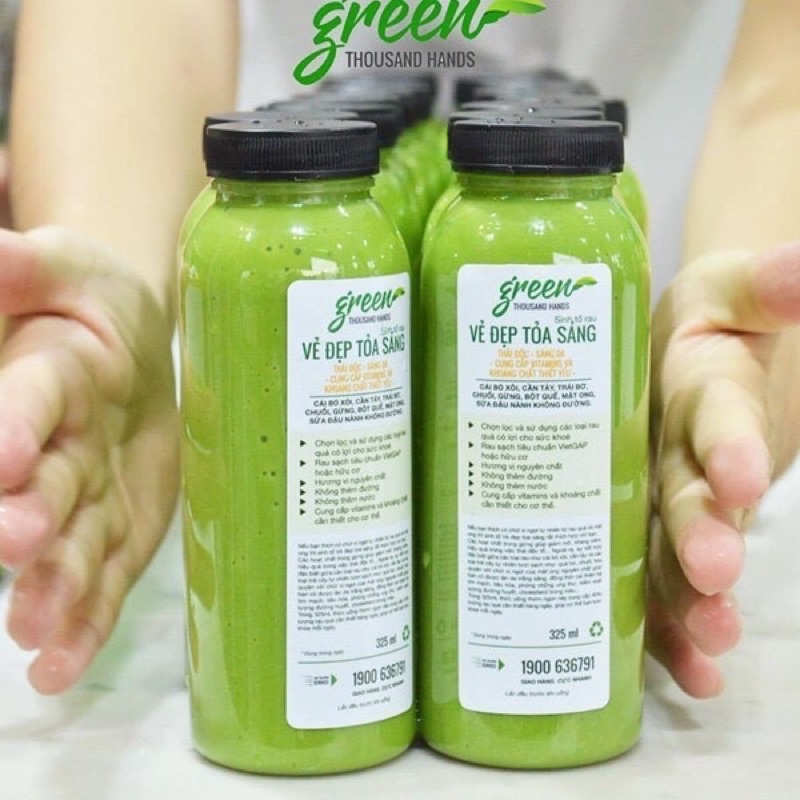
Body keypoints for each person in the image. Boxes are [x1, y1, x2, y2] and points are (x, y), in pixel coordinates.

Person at [0, 0, 798, 702]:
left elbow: (779, 87)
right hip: (287, 185)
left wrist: (750, 339)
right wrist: (118, 272)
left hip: (637, 194)